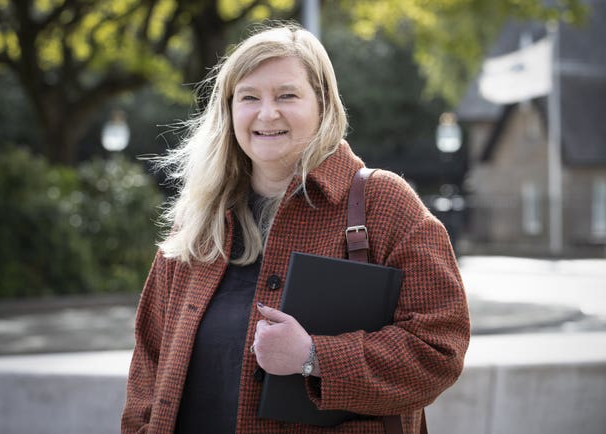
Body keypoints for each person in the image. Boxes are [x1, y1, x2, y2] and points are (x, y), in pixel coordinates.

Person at [121, 23, 469, 434]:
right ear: (229, 110)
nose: (267, 113)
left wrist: (314, 356)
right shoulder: (197, 220)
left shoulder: (382, 204)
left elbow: (439, 349)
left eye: (287, 95)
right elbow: (148, 364)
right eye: (249, 97)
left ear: (322, 104)